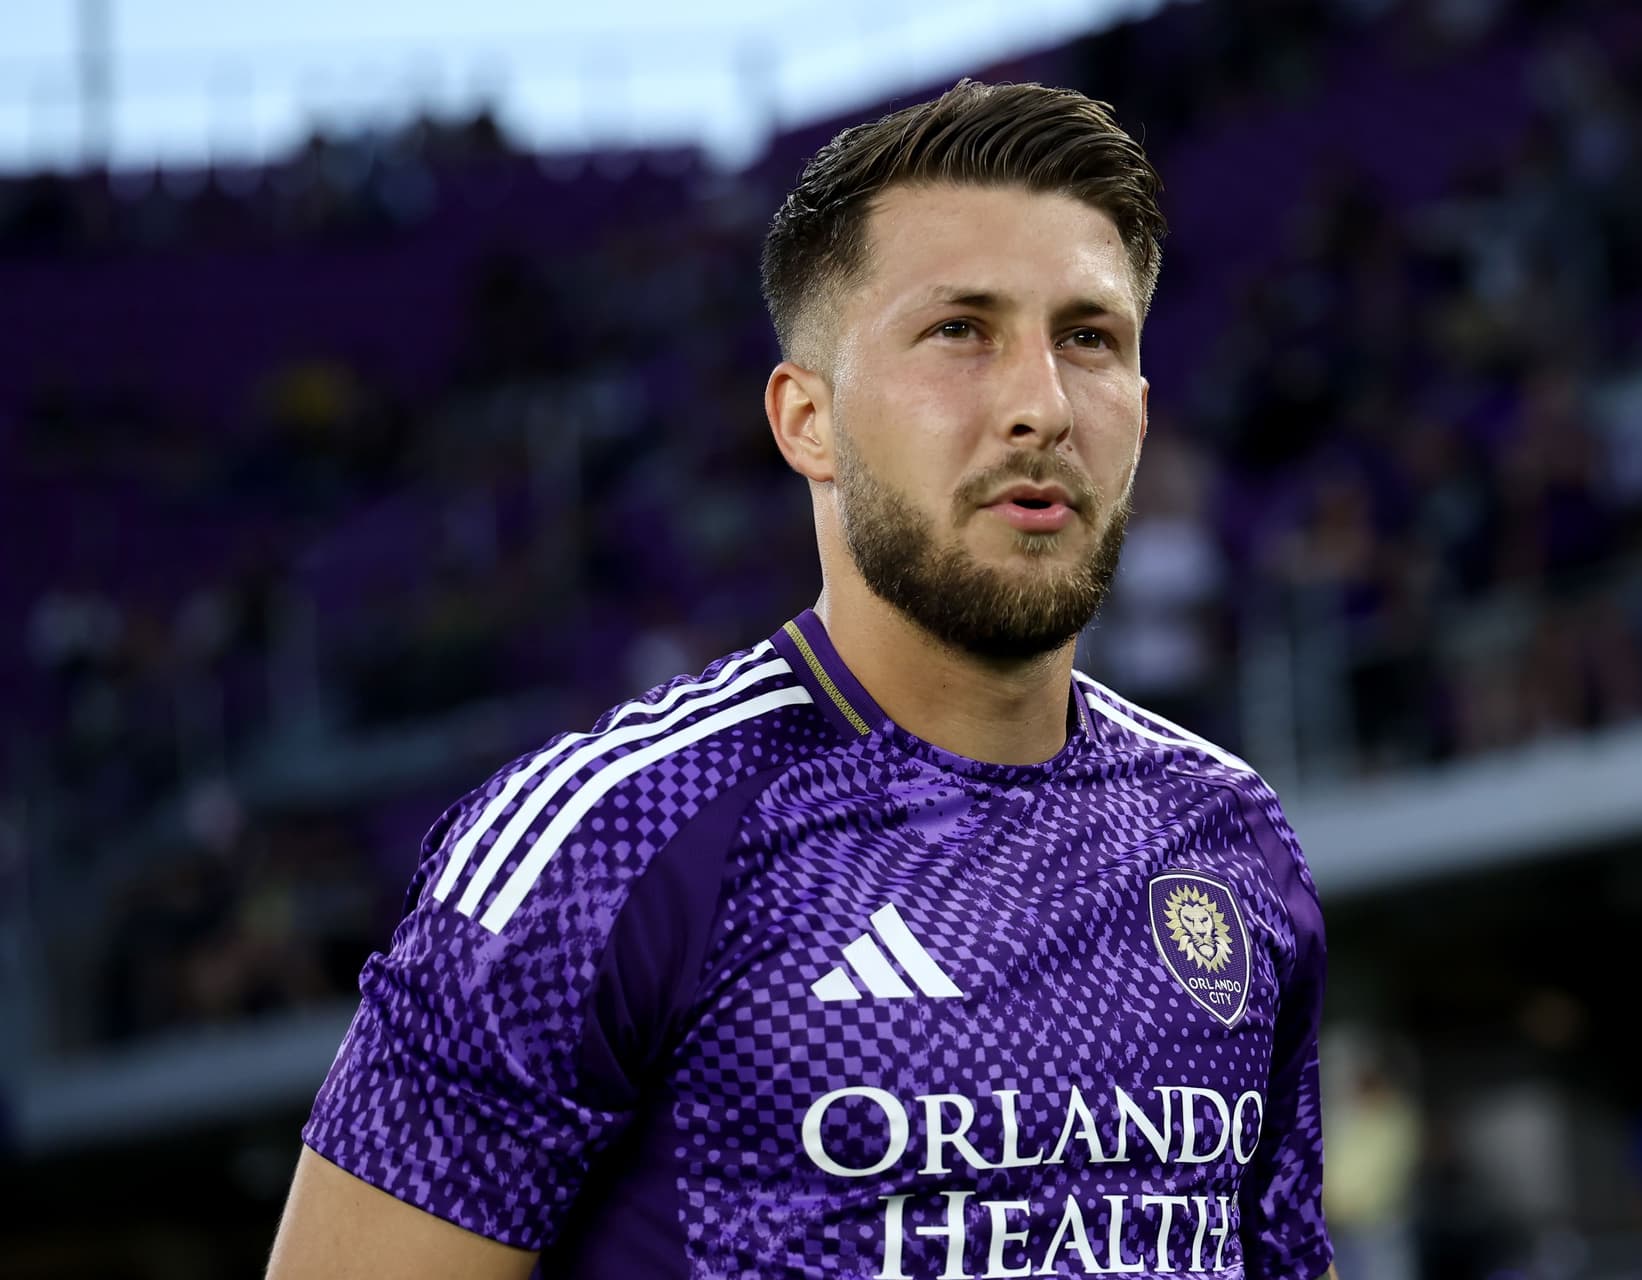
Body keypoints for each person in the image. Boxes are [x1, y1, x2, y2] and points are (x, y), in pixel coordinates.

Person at [266, 79, 1334, 1280]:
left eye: (1089, 338)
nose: (1040, 405)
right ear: (807, 419)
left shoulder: (1229, 834)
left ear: (1139, 408)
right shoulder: (611, 840)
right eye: (960, 330)